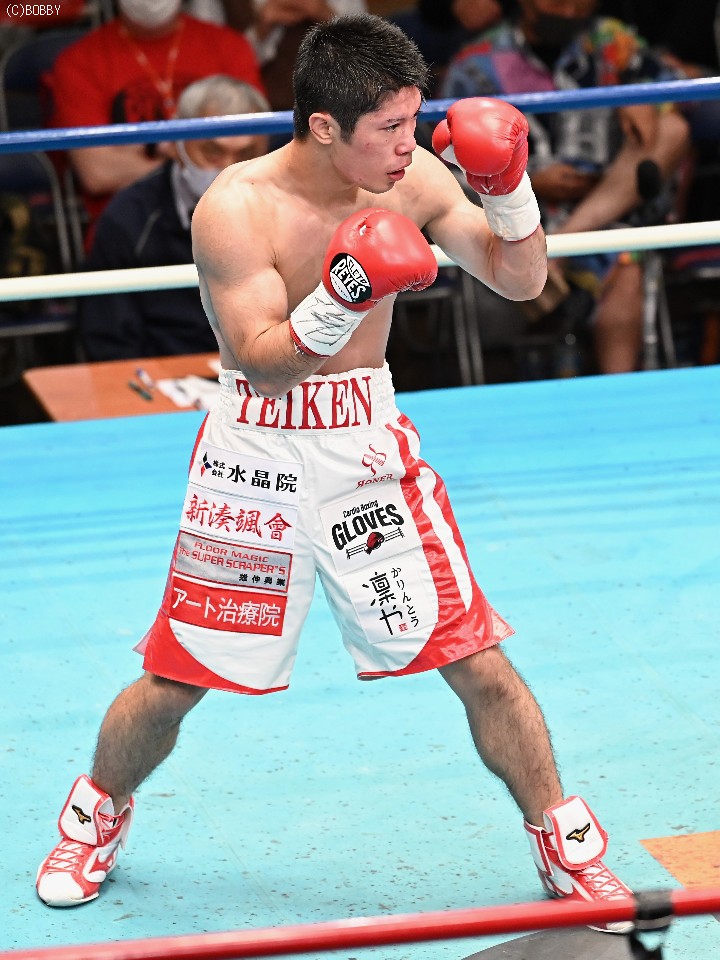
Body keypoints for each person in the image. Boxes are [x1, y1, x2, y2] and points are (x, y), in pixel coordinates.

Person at [36, 14, 632, 931]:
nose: (409, 144)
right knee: (178, 676)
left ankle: (566, 842)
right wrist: (348, 288)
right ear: (323, 125)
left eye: (414, 120)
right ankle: (93, 817)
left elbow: (519, 281)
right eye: (388, 128)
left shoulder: (414, 178)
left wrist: (510, 192)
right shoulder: (235, 207)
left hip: (365, 447)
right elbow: (263, 359)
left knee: (474, 655)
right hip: (255, 452)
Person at [441, 0, 690, 375]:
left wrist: (643, 98)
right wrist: (521, 180)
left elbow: (678, 86)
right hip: (515, 218)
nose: (571, 10)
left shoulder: (611, 41)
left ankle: (618, 394)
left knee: (673, 130)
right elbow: (444, 161)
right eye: (558, 2)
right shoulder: (476, 64)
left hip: (607, 209)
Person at [79, 75, 270, 361]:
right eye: (212, 151)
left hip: (264, 372)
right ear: (178, 142)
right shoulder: (129, 218)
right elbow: (110, 341)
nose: (228, 168)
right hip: (160, 373)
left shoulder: (289, 210)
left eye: (246, 154)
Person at [47, 0, 265, 243]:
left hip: (238, 220)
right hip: (132, 231)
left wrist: (160, 155)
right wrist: (193, 154)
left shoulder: (229, 46)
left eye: (209, 148)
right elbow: (98, 173)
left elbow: (256, 150)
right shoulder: (79, 60)